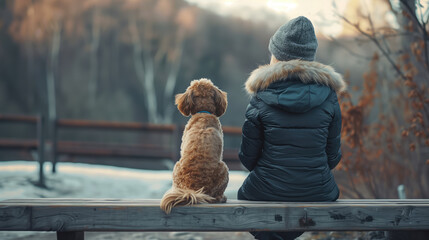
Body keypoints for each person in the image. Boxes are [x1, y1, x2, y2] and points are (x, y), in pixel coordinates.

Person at [237, 16, 346, 240]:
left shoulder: (261, 96)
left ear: (276, 55)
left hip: (267, 188)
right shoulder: (329, 97)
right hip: (318, 190)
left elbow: (247, 159)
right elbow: (332, 158)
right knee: (306, 200)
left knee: (246, 196)